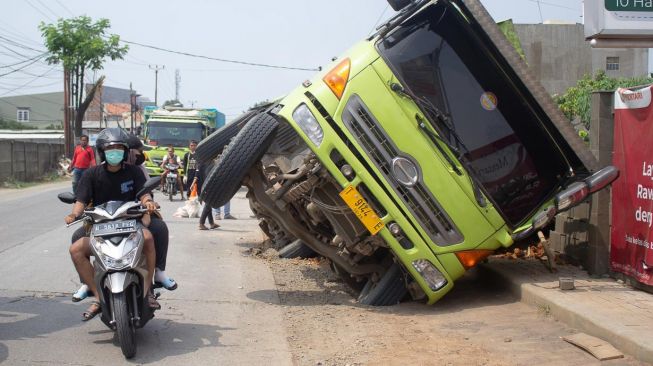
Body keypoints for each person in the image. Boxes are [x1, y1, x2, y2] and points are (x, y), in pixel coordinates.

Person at [66, 128, 159, 321]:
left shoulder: (133, 171)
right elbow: (81, 200)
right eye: (110, 148)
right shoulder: (91, 174)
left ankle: (148, 290)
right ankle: (98, 297)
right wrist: (74, 214)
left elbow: (144, 193)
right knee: (75, 249)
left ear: (125, 151)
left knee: (149, 238)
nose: (114, 151)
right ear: (102, 151)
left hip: (130, 223)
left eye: (118, 148)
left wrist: (147, 201)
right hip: (101, 226)